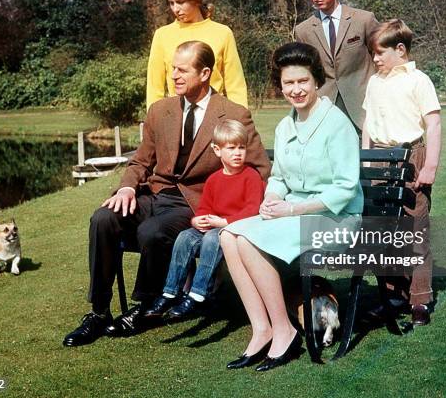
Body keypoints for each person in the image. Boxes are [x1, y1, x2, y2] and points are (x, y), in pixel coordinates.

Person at [63, 41, 270, 347]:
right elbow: (141, 160)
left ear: (204, 73)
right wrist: (127, 187)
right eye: (173, 68)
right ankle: (99, 311)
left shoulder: (233, 113)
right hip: (155, 194)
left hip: (197, 203)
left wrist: (226, 213)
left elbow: (258, 168)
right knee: (103, 218)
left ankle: (147, 308)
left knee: (153, 231)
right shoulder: (160, 110)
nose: (173, 75)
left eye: (182, 69)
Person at [219, 42, 363, 372]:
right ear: (280, 85)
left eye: (302, 81)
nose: (295, 90)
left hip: (335, 218)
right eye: (288, 83)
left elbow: (344, 189)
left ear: (316, 81)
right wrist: (272, 198)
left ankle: (284, 330)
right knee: (230, 235)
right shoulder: (285, 127)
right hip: (295, 213)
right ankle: (263, 328)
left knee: (249, 241)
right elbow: (281, 177)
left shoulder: (336, 124)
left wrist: (292, 211)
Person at [361, 19, 442, 326]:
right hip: (380, 158)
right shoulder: (375, 82)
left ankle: (420, 299)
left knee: (415, 230)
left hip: (411, 156)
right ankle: (393, 294)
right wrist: (368, 162)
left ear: (400, 49)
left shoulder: (418, 80)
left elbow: (433, 124)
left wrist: (430, 166)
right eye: (373, 54)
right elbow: (368, 123)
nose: (376, 59)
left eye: (380, 53)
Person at [143, 119, 265, 320]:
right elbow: (204, 208)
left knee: (211, 238)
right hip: (214, 227)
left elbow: (252, 211)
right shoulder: (214, 179)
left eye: (241, 148)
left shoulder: (250, 176)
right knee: (185, 236)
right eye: (231, 148)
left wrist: (223, 223)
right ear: (217, 150)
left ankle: (198, 294)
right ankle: (170, 292)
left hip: (237, 231)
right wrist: (197, 220)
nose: (237, 153)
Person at [294, 0, 378, 133]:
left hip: (364, 108)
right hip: (324, 111)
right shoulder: (303, 30)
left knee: (368, 159)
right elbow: (305, 73)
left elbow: (383, 57)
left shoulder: (364, 20)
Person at [146, 0, 248, 109]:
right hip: (177, 116)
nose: (175, 9)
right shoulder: (162, 35)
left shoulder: (222, 33)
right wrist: (155, 122)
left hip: (215, 115)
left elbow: (235, 85)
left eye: (180, 2)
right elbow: (154, 88)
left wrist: (239, 122)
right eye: (171, 3)